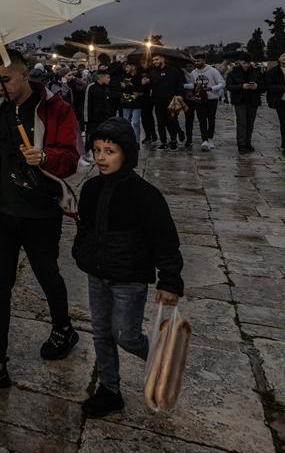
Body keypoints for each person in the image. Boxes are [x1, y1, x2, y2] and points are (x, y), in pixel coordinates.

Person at [0, 48, 81, 392]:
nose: (1, 86)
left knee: (48, 274)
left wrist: (45, 156)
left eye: (7, 79)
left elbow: (71, 159)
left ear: (25, 74)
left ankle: (63, 328)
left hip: (40, 211)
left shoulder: (56, 108)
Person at [71, 117, 183, 418]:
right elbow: (85, 226)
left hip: (128, 277)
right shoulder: (92, 188)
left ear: (126, 154)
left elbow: (164, 239)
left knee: (125, 334)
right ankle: (109, 389)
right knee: (101, 334)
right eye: (97, 150)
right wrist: (81, 250)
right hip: (98, 272)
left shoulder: (144, 194)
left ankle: (160, 360)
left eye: (110, 151)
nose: (102, 157)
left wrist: (169, 280)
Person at [184, 53, 225, 150]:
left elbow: (222, 83)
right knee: (202, 120)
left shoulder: (213, 71)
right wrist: (183, 86)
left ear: (204, 61)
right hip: (199, 100)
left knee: (211, 119)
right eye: (196, 61)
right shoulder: (194, 73)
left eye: (198, 61)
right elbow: (194, 85)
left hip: (212, 99)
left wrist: (212, 88)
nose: (197, 63)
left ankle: (210, 138)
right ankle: (204, 140)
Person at [226, 53, 264, 153]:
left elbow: (263, 86)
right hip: (240, 101)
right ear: (239, 62)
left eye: (248, 63)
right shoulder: (233, 73)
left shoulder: (256, 72)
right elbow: (229, 86)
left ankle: (248, 142)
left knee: (250, 123)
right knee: (242, 122)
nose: (246, 65)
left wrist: (256, 86)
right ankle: (241, 144)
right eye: (244, 63)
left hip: (253, 101)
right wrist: (242, 86)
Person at [146, 54, 185, 150]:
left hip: (171, 101)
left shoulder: (173, 71)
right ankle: (163, 142)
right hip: (158, 101)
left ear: (163, 59)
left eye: (157, 59)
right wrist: (146, 83)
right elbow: (150, 86)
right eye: (153, 60)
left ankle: (173, 140)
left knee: (171, 121)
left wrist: (180, 94)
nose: (154, 61)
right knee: (160, 122)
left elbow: (180, 84)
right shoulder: (152, 73)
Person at [81, 70, 118, 164]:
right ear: (101, 78)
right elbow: (87, 104)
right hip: (92, 120)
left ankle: (100, 156)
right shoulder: (91, 87)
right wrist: (86, 120)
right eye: (107, 77)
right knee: (90, 138)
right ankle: (85, 156)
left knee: (102, 138)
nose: (109, 79)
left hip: (104, 119)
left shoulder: (106, 88)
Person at [117, 60, 146, 144]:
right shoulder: (124, 76)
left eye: (128, 66)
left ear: (133, 67)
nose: (126, 68)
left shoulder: (140, 77)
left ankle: (136, 141)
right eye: (126, 67)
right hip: (126, 101)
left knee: (136, 122)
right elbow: (122, 88)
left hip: (137, 103)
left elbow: (142, 90)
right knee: (126, 121)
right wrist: (133, 89)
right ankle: (128, 139)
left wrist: (129, 86)